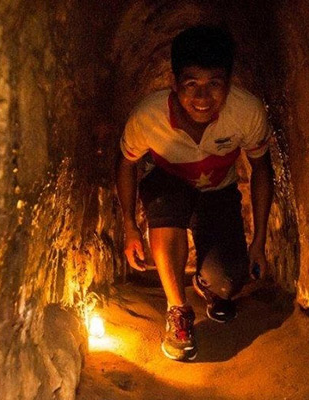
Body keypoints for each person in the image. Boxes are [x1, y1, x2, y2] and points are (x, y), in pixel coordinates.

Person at [115, 24, 274, 361]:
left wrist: (258, 241)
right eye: (191, 85)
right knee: (165, 198)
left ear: (228, 83)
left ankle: (208, 283)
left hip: (218, 191)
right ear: (175, 84)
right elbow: (126, 164)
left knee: (228, 281)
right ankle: (178, 311)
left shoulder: (246, 112)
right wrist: (129, 225)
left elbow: (262, 168)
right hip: (169, 185)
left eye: (214, 84)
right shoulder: (149, 116)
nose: (202, 99)